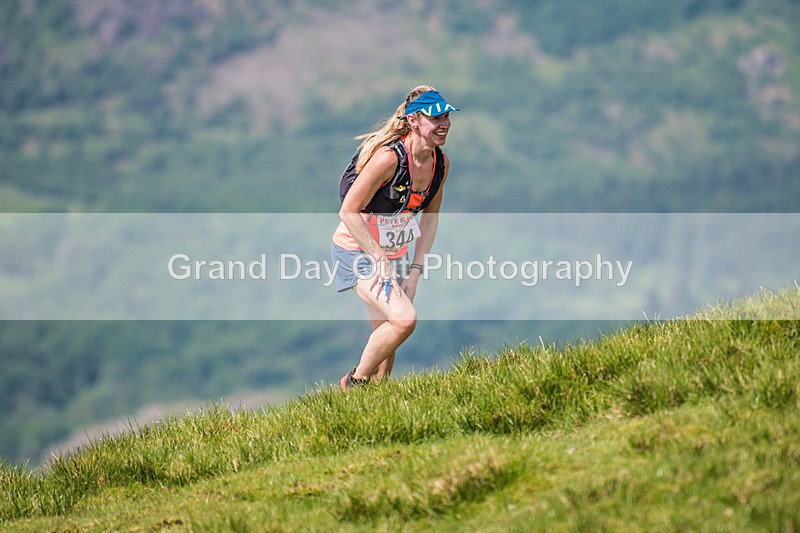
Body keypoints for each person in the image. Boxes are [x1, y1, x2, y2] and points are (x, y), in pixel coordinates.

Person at [332, 85, 458, 391]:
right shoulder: (389, 159)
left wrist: (415, 272)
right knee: (404, 320)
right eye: (435, 118)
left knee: (388, 345)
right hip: (358, 250)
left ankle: (373, 404)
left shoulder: (441, 164)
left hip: (395, 255)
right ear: (413, 121)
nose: (444, 124)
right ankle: (355, 382)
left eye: (446, 116)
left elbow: (430, 217)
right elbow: (348, 211)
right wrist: (378, 259)